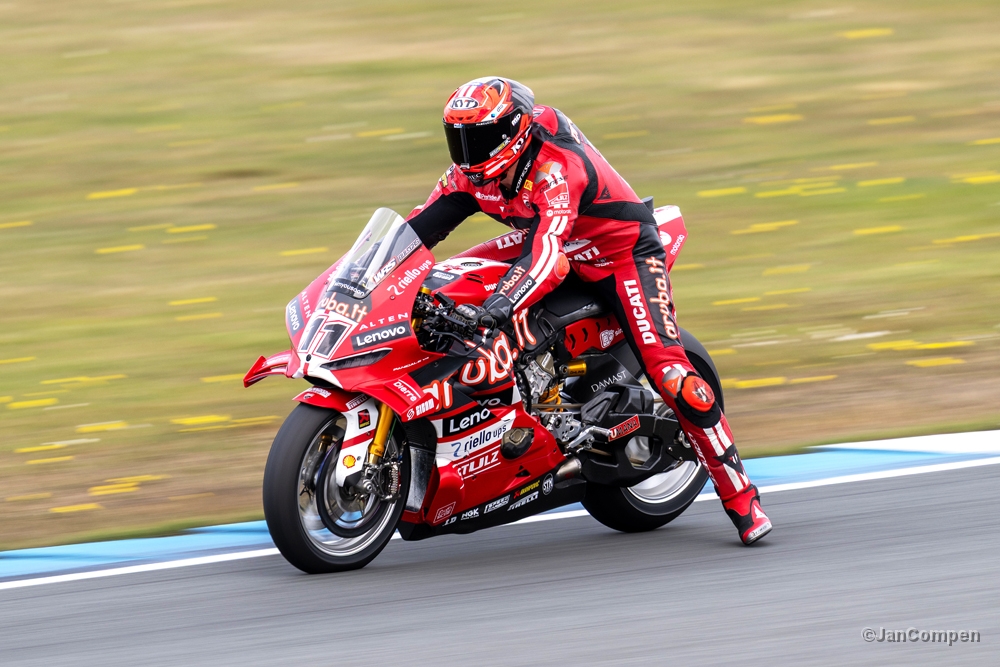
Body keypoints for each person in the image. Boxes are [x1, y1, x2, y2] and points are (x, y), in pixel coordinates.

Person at [406, 77, 772, 545]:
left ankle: (741, 496)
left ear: (512, 132)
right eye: (458, 139)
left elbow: (543, 257)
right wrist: (353, 285)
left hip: (619, 254)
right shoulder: (472, 173)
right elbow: (414, 233)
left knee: (672, 374)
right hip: (555, 243)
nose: (466, 153)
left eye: (478, 139)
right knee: (446, 282)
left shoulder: (556, 168)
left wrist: (499, 306)